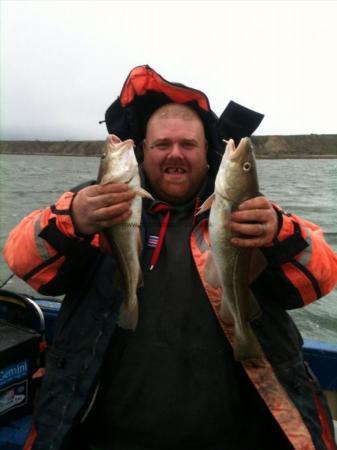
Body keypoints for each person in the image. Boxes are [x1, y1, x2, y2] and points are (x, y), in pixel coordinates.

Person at [3, 65, 337, 450]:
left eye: (188, 145)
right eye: (162, 145)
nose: (175, 154)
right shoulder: (93, 209)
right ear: (143, 150)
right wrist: (71, 219)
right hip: (105, 438)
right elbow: (21, 259)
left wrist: (281, 233)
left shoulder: (250, 214)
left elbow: (322, 277)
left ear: (208, 154)